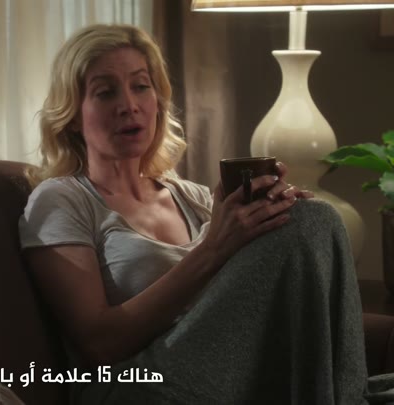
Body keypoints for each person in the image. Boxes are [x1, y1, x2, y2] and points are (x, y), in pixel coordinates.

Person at [18, 23, 371, 404]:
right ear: (73, 114)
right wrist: (214, 248)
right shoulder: (61, 199)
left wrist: (276, 217)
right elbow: (98, 345)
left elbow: (246, 297)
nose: (129, 105)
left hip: (219, 377)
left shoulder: (194, 197)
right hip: (137, 386)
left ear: (158, 100)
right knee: (313, 221)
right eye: (106, 92)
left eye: (141, 86)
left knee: (315, 216)